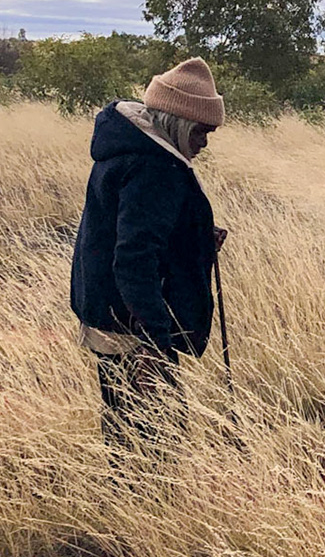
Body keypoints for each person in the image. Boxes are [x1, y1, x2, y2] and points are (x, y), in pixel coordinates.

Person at [70, 57, 227, 445]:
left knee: (124, 426)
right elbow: (134, 259)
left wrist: (194, 236)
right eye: (200, 131)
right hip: (132, 326)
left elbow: (123, 229)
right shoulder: (154, 168)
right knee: (156, 438)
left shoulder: (128, 148)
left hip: (110, 313)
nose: (204, 143)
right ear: (178, 123)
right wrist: (155, 344)